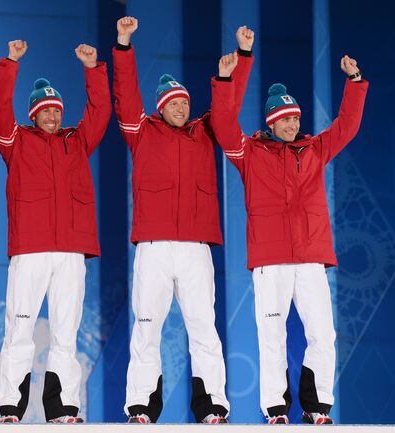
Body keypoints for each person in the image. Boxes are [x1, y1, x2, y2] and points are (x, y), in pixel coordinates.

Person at [211, 52, 368, 424]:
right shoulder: (249, 152)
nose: (292, 123)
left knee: (322, 334)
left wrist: (355, 81)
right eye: (285, 119)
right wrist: (223, 79)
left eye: (296, 117)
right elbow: (221, 124)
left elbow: (346, 126)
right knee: (272, 336)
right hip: (271, 261)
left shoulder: (314, 149)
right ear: (271, 122)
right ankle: (276, 409)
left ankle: (317, 407)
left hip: (311, 257)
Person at [113, 16, 254, 424]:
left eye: (185, 102)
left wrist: (241, 60)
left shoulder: (205, 131)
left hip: (196, 246)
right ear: (161, 107)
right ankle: (141, 406)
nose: (181, 106)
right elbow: (124, 92)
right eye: (174, 102)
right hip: (154, 247)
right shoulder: (141, 130)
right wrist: (123, 44)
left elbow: (229, 105)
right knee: (147, 327)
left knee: (203, 327)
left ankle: (211, 406)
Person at [0, 39, 111, 424]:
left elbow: (101, 110)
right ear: (34, 114)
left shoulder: (77, 141)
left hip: (71, 250)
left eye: (57, 110)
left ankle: (62, 408)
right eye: (45, 111)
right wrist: (9, 63)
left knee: (65, 332)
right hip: (31, 248)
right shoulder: (16, 141)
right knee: (20, 328)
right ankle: (11, 407)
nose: (53, 116)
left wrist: (93, 70)